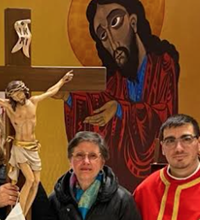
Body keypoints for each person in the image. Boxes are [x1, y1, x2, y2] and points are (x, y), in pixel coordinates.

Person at [64, 0, 180, 192]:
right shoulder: (115, 81)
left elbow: (166, 115)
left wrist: (120, 109)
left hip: (156, 181)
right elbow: (94, 108)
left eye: (115, 22)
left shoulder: (163, 66)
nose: (112, 39)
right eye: (102, 34)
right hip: (119, 186)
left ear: (133, 22)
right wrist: (68, 96)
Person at [0, 70, 73, 216]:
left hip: (33, 147)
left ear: (24, 91)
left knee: (36, 181)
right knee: (29, 180)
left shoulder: (34, 102)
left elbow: (50, 92)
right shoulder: (10, 107)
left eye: (19, 93)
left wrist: (63, 81)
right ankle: (17, 214)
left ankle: (22, 215)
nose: (18, 96)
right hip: (20, 148)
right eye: (14, 95)